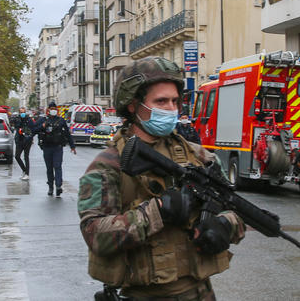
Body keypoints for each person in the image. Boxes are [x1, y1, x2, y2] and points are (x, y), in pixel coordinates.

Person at [78, 57, 246, 300]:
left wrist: (225, 225)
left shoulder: (198, 156)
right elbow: (95, 234)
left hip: (201, 292)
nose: (171, 109)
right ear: (134, 106)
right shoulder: (110, 164)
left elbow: (235, 209)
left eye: (175, 101)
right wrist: (157, 212)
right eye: (161, 101)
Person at [40, 101, 76, 196]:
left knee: (57, 166)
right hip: (47, 147)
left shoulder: (61, 120)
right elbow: (35, 130)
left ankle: (58, 186)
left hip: (57, 147)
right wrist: (42, 126)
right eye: (51, 109)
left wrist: (72, 146)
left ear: (56, 110)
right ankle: (51, 187)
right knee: (49, 168)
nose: (53, 111)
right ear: (48, 110)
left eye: (54, 109)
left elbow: (67, 134)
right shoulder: (43, 120)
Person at [13, 107, 35, 181]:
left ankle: (27, 174)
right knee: (17, 156)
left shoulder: (29, 120)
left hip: (27, 140)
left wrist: (31, 138)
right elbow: (15, 126)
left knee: (26, 157)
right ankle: (24, 170)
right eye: (21, 112)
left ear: (25, 112)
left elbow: (33, 129)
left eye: (23, 112)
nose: (22, 114)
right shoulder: (18, 119)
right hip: (19, 140)